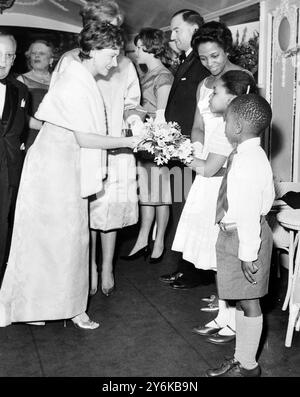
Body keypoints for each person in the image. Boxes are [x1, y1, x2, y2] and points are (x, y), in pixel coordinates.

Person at [0, 22, 142, 329]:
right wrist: (129, 141)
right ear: (94, 50)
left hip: (64, 167)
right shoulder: (74, 81)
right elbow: (86, 138)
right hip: (53, 171)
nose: (114, 62)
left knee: (67, 241)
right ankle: (38, 307)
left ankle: (64, 306)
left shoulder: (80, 75)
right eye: (111, 54)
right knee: (53, 241)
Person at [53, 0, 144, 297]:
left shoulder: (126, 63)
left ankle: (107, 266)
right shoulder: (69, 60)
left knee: (110, 210)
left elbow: (133, 102)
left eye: (116, 30)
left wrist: (133, 119)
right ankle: (88, 266)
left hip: (117, 146)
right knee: (85, 210)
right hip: (82, 145)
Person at [172, 22, 254, 344]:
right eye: (203, 58)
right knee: (212, 243)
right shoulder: (204, 84)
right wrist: (194, 149)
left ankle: (231, 315)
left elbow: (245, 130)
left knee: (227, 245)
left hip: (226, 170)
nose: (210, 64)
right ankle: (224, 308)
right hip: (207, 161)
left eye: (215, 55)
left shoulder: (240, 81)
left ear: (227, 49)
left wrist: (213, 162)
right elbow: (197, 125)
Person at [206, 94, 274, 377]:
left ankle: (247, 365)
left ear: (236, 126)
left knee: (249, 302)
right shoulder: (248, 155)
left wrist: (247, 254)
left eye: (225, 119)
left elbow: (248, 213)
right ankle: (242, 357)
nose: (223, 124)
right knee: (242, 300)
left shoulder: (247, 162)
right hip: (239, 235)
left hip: (246, 239)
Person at [159, 9, 210, 289]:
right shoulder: (187, 61)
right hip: (178, 151)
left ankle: (193, 271)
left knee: (189, 209)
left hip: (190, 150)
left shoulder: (200, 64)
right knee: (182, 208)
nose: (172, 35)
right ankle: (184, 267)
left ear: (194, 28)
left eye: (176, 29)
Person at [121, 28, 173, 263]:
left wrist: (138, 111)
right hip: (145, 141)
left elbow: (162, 114)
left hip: (159, 142)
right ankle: (143, 239)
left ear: (150, 47)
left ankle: (159, 241)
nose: (136, 52)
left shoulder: (163, 75)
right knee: (148, 194)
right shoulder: (146, 74)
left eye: (139, 47)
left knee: (161, 195)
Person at [0, 31, 29, 283]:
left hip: (7, 170)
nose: (2, 62)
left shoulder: (20, 90)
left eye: (8, 56)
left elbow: (17, 133)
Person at [17, 40, 54, 150]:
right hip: (31, 136)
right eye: (33, 53)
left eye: (42, 53)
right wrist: (43, 127)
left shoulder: (59, 80)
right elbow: (18, 114)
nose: (36, 56)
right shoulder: (21, 80)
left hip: (55, 137)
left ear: (51, 60)